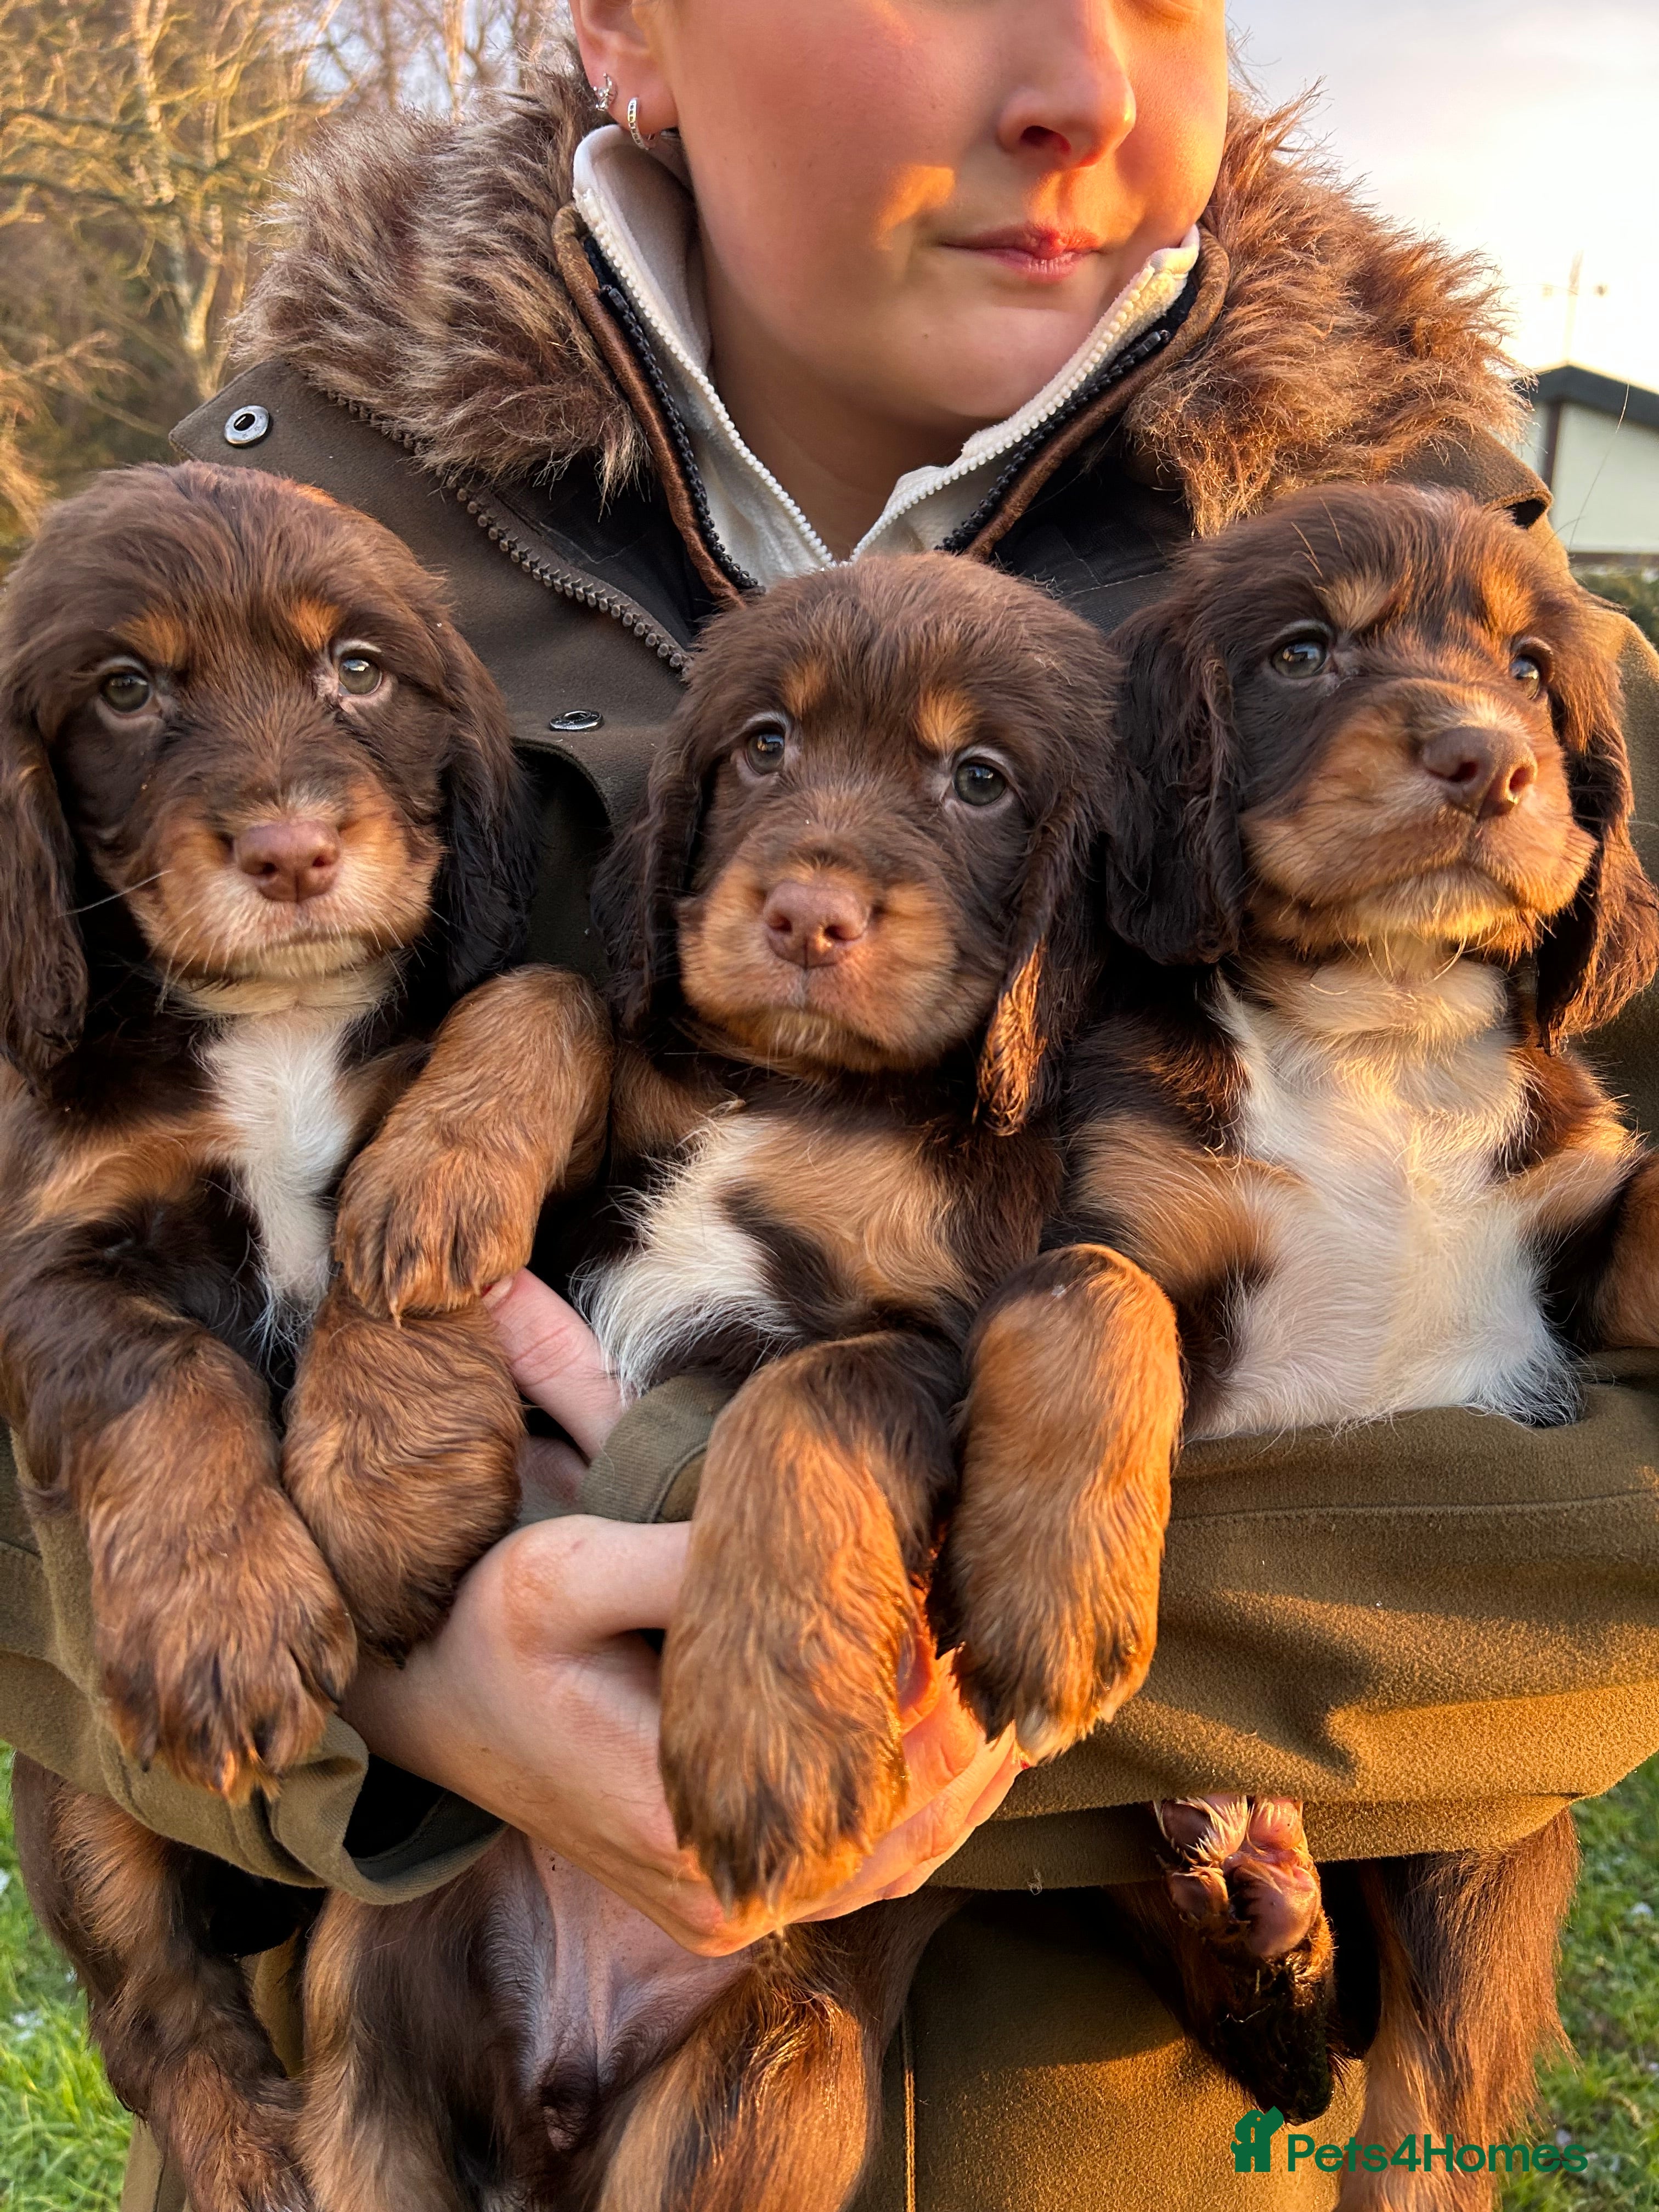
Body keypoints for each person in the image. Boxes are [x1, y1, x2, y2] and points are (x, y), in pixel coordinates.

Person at [5, 3, 1659, 2205]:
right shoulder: (275, 553)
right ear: (629, 28)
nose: (1080, 75)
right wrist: (383, 1707)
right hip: (378, 2103)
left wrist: (905, 1656)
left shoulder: (1516, 657)